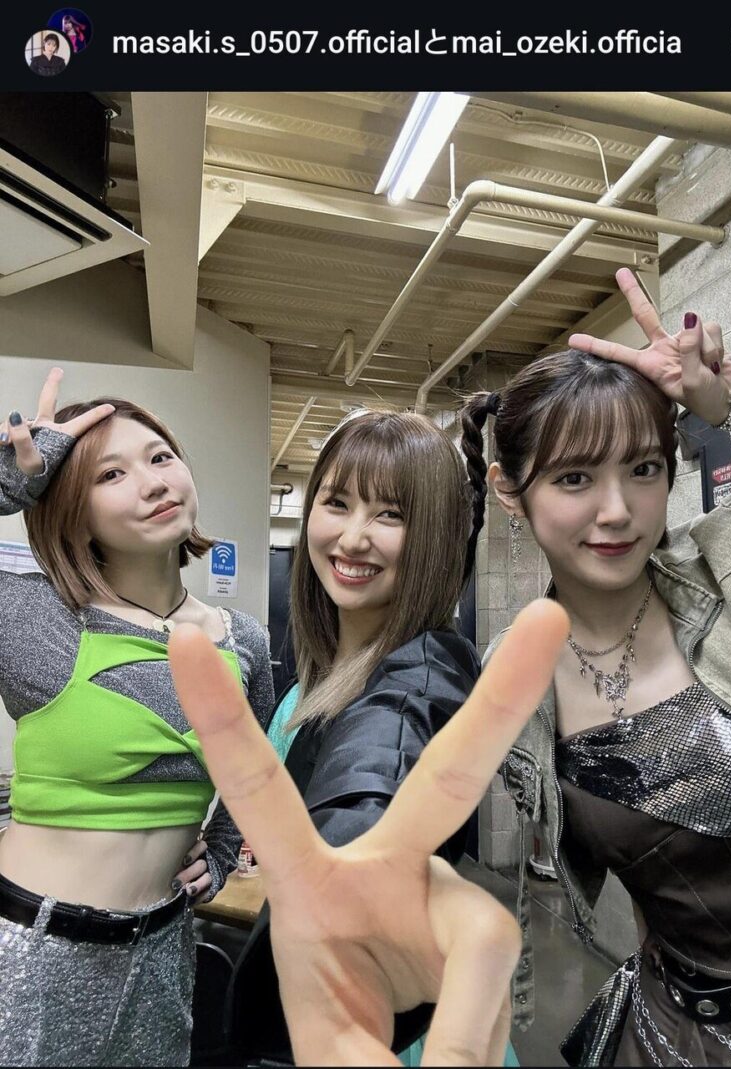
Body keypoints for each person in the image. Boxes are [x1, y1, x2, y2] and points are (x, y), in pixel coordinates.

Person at [460, 268, 731, 1066]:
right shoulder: (513, 681)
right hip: (667, 1033)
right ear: (510, 490)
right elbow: (646, 872)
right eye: (575, 477)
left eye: (643, 469)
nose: (617, 510)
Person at [224, 410, 517, 1064]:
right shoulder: (312, 685)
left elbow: (378, 774)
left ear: (432, 538)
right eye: (337, 503)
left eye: (390, 514)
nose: (353, 538)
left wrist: (343, 888)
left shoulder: (421, 679)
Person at [0, 369, 273, 1067]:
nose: (153, 483)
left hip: (162, 953)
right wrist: (9, 485)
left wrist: (220, 850)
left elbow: (256, 773)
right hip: (30, 953)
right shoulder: (39, 617)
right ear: (71, 506)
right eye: (111, 474)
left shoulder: (243, 640)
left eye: (160, 457)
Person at [168, 599, 569, 1067]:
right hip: (300, 976)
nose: (355, 552)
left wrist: (359, 839)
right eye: (335, 518)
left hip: (387, 986)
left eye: (393, 523)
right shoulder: (301, 691)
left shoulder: (426, 669)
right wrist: (222, 853)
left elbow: (391, 734)